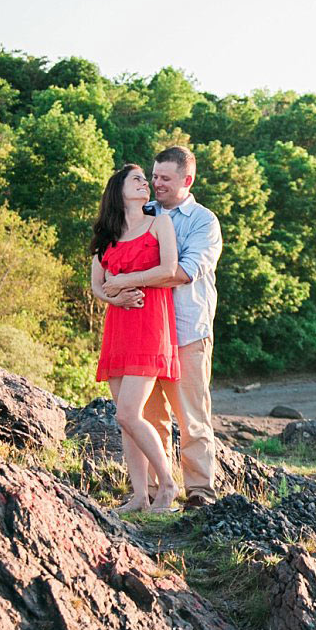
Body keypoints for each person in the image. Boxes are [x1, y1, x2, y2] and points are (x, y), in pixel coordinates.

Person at [101, 146, 222, 509]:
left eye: (165, 179)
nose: (156, 184)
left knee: (191, 418)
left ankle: (199, 492)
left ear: (188, 180)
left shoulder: (204, 221)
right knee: (147, 416)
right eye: (154, 177)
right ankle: (153, 492)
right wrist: (115, 290)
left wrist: (128, 281)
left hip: (186, 331)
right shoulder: (143, 214)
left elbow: (183, 272)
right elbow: (110, 264)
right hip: (146, 332)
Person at [91, 164, 182, 513]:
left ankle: (169, 485)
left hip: (149, 324)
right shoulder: (106, 236)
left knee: (129, 412)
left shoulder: (159, 223)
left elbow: (169, 269)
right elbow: (98, 286)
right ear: (118, 189)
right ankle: (140, 496)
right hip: (118, 326)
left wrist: (129, 282)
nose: (146, 182)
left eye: (147, 179)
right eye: (137, 179)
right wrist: (114, 297)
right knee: (124, 417)